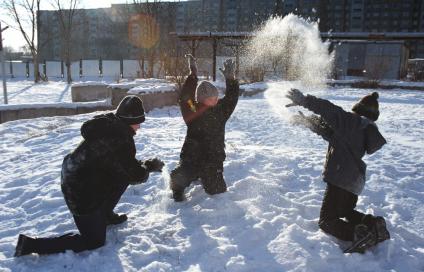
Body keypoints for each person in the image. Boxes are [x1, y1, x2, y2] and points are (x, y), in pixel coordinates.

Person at [14, 95, 164, 257]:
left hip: (77, 175)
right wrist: (149, 167)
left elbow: (122, 166)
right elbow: (135, 174)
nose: (139, 127)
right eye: (138, 122)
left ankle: (105, 215)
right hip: (80, 191)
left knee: (121, 177)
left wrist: (143, 166)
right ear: (130, 120)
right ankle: (31, 244)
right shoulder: (119, 138)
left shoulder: (110, 125)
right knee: (94, 241)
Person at [286, 89, 390, 253]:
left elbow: (328, 109)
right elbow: (332, 134)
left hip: (341, 178)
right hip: (354, 181)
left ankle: (358, 234)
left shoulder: (351, 121)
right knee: (345, 211)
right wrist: (308, 122)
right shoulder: (363, 129)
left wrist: (304, 100)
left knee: (327, 220)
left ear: (358, 109)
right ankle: (373, 224)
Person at [170, 55, 240, 202]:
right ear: (201, 99)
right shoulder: (192, 110)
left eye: (216, 97)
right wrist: (193, 75)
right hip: (192, 158)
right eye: (211, 98)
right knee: (179, 177)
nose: (215, 100)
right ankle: (179, 185)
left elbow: (232, 98)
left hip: (213, 160)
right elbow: (185, 98)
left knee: (218, 191)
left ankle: (204, 175)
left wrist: (231, 79)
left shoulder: (221, 110)